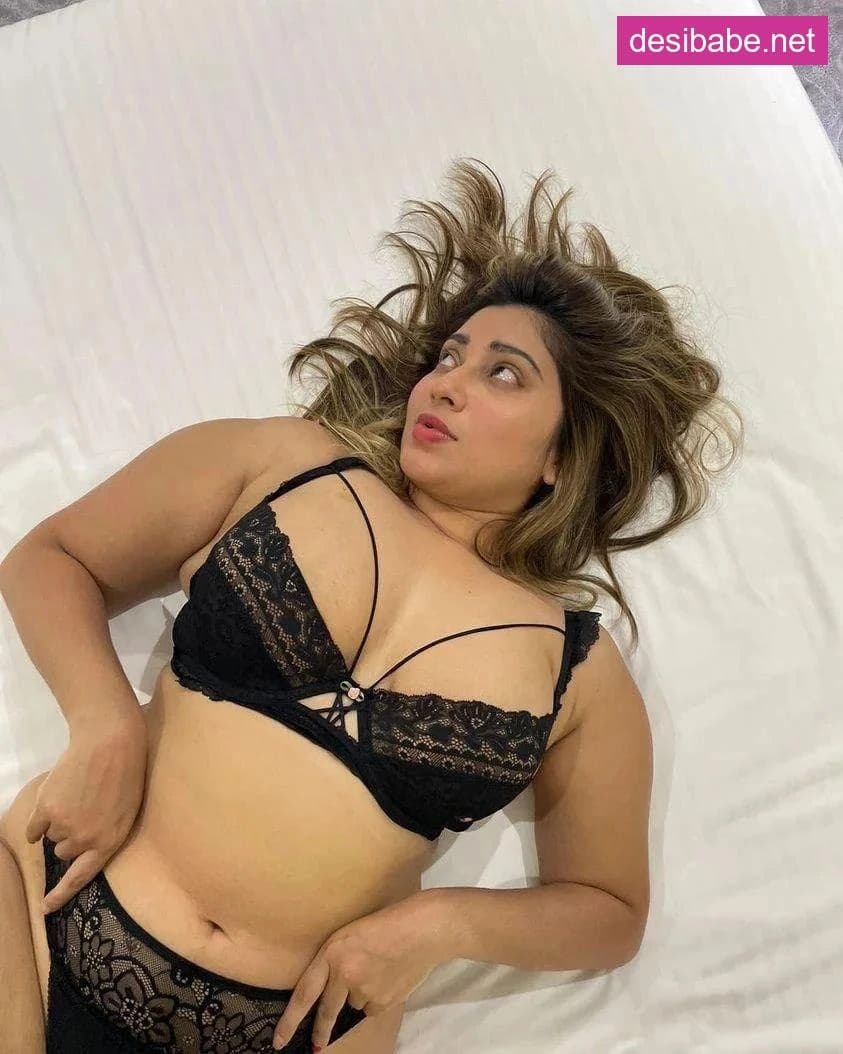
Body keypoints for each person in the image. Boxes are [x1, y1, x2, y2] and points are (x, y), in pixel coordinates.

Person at [0, 159, 743, 1054]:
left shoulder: (576, 669)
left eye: (504, 374)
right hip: (46, 912)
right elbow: (51, 559)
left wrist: (438, 924)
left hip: (298, 1032)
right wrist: (104, 722)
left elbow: (608, 911)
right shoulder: (279, 462)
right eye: (448, 357)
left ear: (563, 454)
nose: (445, 383)